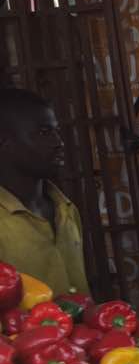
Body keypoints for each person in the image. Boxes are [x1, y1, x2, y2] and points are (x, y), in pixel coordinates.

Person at [0, 88, 89, 295]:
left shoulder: (66, 210)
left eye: (56, 131)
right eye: (44, 132)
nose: (59, 143)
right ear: (4, 143)